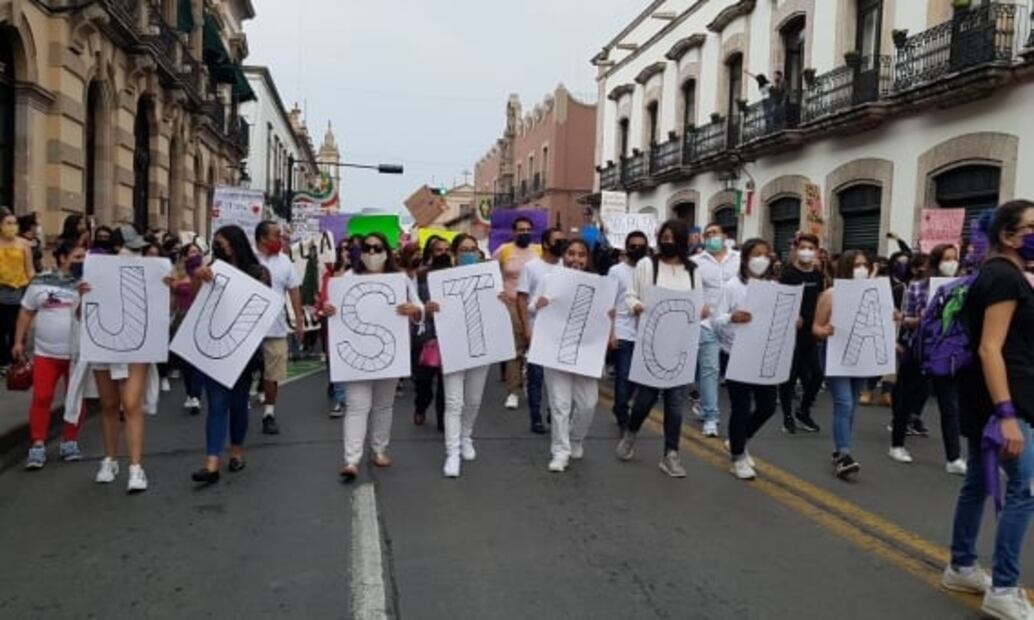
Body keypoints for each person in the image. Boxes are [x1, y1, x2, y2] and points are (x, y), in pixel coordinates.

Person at [943, 201, 1034, 619]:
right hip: (1003, 402)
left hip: (987, 399)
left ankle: (961, 566)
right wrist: (1007, 414)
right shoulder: (1003, 278)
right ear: (1007, 235)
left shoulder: (1000, 274)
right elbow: (989, 348)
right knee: (1024, 490)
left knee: (979, 482)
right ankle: (1004, 589)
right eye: (1031, 227)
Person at [334, 232, 423, 481]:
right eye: (367, 248)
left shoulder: (400, 279)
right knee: (357, 405)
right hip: (356, 353)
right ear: (361, 253)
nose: (372, 253)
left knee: (383, 405)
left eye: (377, 248)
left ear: (387, 252)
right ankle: (351, 460)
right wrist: (329, 309)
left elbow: (420, 306)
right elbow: (332, 308)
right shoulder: (347, 278)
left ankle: (379, 449)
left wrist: (414, 309)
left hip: (390, 354)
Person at [617, 219, 700, 478]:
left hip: (679, 343)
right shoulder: (647, 265)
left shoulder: (692, 270)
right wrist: (636, 306)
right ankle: (631, 433)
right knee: (645, 399)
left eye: (673, 238)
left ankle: (671, 454)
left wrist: (702, 310)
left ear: (682, 241)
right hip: (651, 342)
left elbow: (698, 302)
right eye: (664, 237)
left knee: (675, 403)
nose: (668, 242)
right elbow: (630, 294)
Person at [189, 226, 271, 485]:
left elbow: (262, 305)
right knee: (216, 403)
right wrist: (198, 278)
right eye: (216, 244)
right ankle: (212, 462)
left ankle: (236, 450)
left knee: (238, 403)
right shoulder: (212, 270)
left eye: (223, 243)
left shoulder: (258, 272)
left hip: (242, 350)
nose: (220, 248)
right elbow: (196, 302)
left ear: (236, 244)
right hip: (213, 349)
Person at [812, 250, 895, 480]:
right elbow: (816, 327)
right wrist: (824, 331)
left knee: (851, 404)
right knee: (844, 402)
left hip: (862, 357)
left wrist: (893, 320)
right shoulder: (831, 294)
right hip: (836, 355)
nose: (862, 270)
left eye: (865, 265)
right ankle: (844, 454)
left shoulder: (876, 294)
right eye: (857, 265)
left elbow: (884, 322)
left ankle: (842, 448)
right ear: (846, 267)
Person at [424, 233, 501, 478]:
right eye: (463, 250)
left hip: (480, 346)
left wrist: (502, 300)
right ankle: (452, 452)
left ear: (478, 253)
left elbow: (497, 311)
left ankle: (466, 436)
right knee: (453, 402)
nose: (468, 254)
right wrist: (430, 309)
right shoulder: (441, 279)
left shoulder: (490, 278)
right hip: (453, 346)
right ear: (454, 254)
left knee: (473, 399)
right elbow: (429, 311)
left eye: (472, 249)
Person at [532, 239, 610, 473]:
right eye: (571, 253)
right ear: (563, 256)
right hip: (554, 348)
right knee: (560, 403)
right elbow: (531, 307)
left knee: (588, 403)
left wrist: (610, 316)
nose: (576, 259)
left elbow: (605, 317)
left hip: (586, 351)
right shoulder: (549, 279)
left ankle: (575, 438)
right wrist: (539, 304)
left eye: (581, 254)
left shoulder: (600, 284)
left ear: (587, 258)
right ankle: (560, 451)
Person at [889, 245, 966, 473]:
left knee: (949, 404)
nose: (951, 263)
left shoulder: (963, 287)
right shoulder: (918, 287)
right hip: (920, 349)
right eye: (946, 259)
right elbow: (906, 320)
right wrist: (921, 319)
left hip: (948, 352)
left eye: (954, 258)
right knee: (907, 397)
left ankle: (953, 457)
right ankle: (897, 444)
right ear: (936, 262)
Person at [15, 242, 87, 469]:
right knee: (42, 397)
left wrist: (84, 295)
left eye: (84, 257)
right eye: (77, 257)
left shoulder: (88, 283)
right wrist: (18, 341)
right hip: (45, 353)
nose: (82, 261)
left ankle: (70, 441)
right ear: (63, 257)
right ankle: (38, 445)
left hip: (77, 355)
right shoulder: (40, 282)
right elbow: (26, 311)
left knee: (75, 398)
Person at [712, 238, 779, 481]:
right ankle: (738, 457)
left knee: (768, 406)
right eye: (756, 254)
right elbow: (716, 320)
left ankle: (739, 440)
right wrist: (732, 318)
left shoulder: (773, 286)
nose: (761, 259)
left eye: (766, 254)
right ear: (745, 258)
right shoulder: (732, 286)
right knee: (740, 407)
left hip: (763, 354)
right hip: (735, 354)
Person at [254, 220, 304, 435]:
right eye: (276, 234)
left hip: (275, 328)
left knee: (273, 373)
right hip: (247, 329)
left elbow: (294, 290)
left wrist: (299, 320)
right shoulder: (248, 259)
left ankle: (269, 413)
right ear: (262, 238)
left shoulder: (285, 262)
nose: (281, 238)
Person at [690, 222, 740, 437]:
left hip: (735, 324)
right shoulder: (695, 262)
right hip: (708, 324)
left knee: (737, 373)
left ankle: (707, 406)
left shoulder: (739, 259)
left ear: (724, 235)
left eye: (715, 233)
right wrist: (698, 306)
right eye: (707, 234)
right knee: (710, 369)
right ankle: (711, 417)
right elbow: (691, 289)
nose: (711, 237)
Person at [516, 227, 567, 434]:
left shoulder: (566, 266)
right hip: (537, 328)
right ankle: (535, 415)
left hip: (560, 331)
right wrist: (526, 327)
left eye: (563, 241)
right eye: (557, 241)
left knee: (558, 376)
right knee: (536, 375)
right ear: (546, 243)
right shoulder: (531, 267)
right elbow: (522, 298)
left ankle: (552, 411)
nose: (562, 245)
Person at [492, 217, 541, 411]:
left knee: (535, 348)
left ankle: (532, 385)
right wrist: (499, 293)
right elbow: (490, 273)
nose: (525, 233)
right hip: (512, 304)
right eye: (521, 230)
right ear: (514, 232)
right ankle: (513, 391)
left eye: (528, 229)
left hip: (535, 307)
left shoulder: (539, 251)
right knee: (515, 348)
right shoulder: (503, 251)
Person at [778, 233, 825, 433]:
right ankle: (787, 416)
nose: (806, 251)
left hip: (810, 334)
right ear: (797, 250)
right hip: (791, 334)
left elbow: (821, 300)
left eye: (811, 248)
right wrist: (790, 317)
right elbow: (780, 301)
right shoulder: (788, 274)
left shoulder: (817, 275)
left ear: (816, 252)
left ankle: (803, 411)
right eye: (803, 247)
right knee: (789, 377)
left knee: (817, 375)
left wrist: (822, 322)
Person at [608, 231, 649, 431]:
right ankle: (623, 414)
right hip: (622, 328)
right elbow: (608, 302)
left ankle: (619, 405)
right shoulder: (616, 271)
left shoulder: (651, 271)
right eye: (633, 246)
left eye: (641, 246)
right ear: (626, 247)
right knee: (623, 375)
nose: (637, 249)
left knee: (636, 378)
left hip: (644, 331)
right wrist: (611, 333)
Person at [412, 238, 449, 429]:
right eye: (439, 250)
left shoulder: (458, 275)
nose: (443, 253)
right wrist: (424, 309)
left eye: (446, 250)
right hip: (426, 336)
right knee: (424, 383)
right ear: (431, 253)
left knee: (446, 382)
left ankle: (443, 420)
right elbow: (411, 304)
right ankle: (420, 407)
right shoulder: (420, 276)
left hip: (450, 336)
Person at [170, 243, 205, 415]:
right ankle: (190, 393)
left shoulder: (205, 272)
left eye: (197, 251)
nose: (195, 254)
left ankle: (196, 395)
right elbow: (172, 300)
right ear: (184, 256)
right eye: (192, 252)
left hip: (200, 319)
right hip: (181, 318)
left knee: (197, 359)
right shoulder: (176, 274)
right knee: (185, 361)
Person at [318, 240, 351, 418]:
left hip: (356, 323)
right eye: (343, 249)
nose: (346, 252)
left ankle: (353, 397)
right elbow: (325, 298)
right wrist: (326, 306)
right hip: (336, 323)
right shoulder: (330, 274)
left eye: (350, 249)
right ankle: (340, 399)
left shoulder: (363, 273)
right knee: (338, 359)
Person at [0, 211, 35, 372]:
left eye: (14, 223)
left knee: (15, 327)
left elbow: (29, 269)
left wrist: (35, 287)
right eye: (8, 223)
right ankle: (2, 363)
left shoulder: (23, 244)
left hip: (18, 291)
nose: (12, 227)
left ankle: (14, 362)